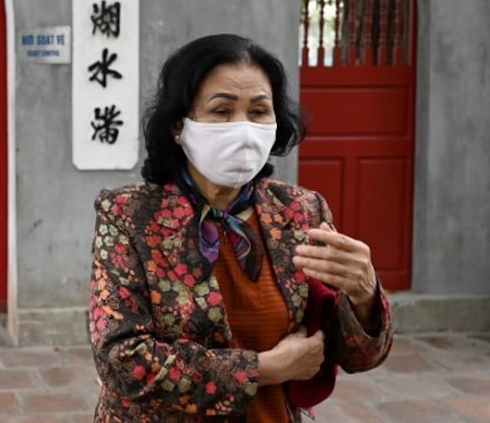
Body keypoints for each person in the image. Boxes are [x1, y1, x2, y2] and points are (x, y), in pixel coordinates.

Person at [88, 33, 393, 422]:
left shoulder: (301, 212)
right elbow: (120, 359)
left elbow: (350, 353)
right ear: (179, 126)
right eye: (221, 111)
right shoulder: (129, 215)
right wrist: (266, 368)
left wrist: (364, 294)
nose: (244, 128)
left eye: (259, 111)